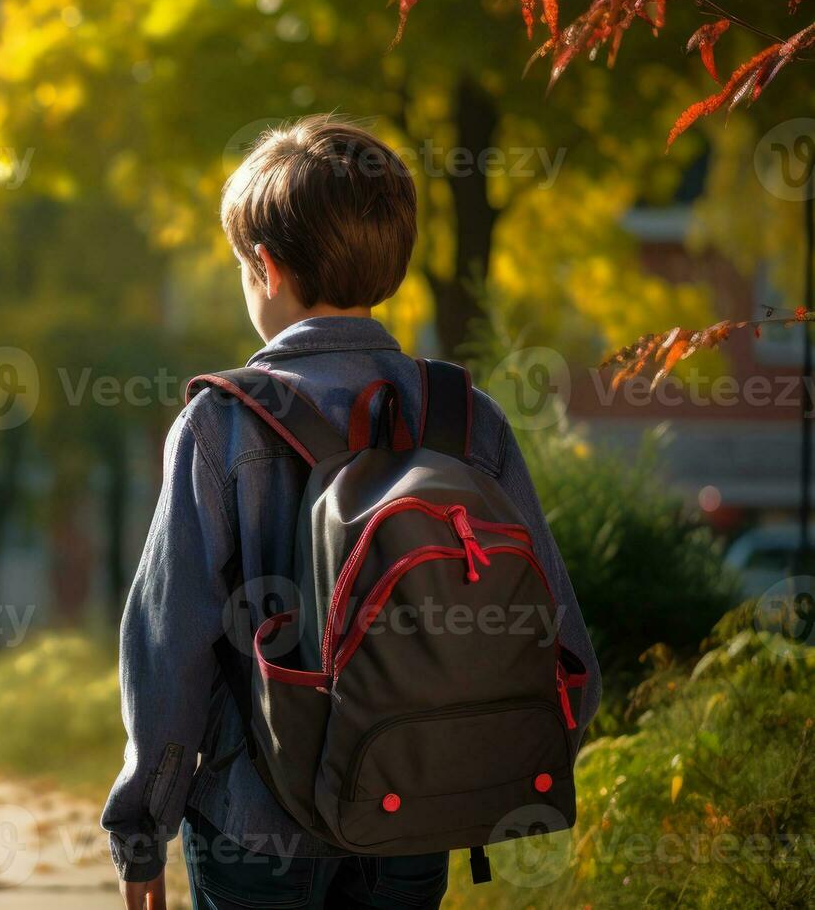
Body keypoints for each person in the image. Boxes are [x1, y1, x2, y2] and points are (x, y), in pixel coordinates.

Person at [103, 116, 601, 910]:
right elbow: (564, 645)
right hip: (411, 813)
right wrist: (461, 769)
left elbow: (170, 649)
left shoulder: (221, 423)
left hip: (254, 823)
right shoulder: (468, 419)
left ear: (264, 268)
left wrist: (139, 834)